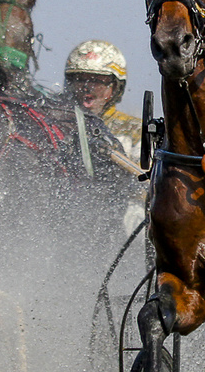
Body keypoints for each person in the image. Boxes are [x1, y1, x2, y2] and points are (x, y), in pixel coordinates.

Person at [62, 40, 145, 230]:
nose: (87, 87)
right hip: (69, 214)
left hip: (121, 214)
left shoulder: (134, 129)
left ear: (115, 88)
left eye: (97, 81)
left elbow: (143, 184)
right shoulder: (58, 125)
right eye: (80, 79)